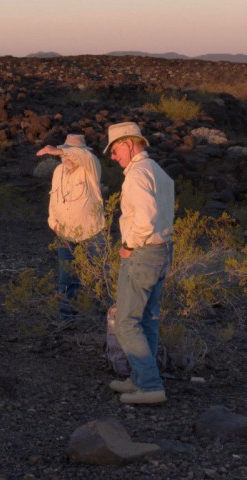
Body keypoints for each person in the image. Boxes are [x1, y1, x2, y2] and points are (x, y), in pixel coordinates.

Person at [104, 122, 174, 404]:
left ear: (130, 143)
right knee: (148, 320)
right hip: (162, 250)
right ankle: (140, 378)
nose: (112, 156)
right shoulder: (157, 170)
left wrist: (129, 245)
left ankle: (149, 385)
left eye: (115, 148)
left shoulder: (136, 174)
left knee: (126, 322)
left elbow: (145, 218)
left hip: (143, 253)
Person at [36, 134, 106, 320]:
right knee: (67, 275)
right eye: (64, 154)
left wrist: (57, 150)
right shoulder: (58, 171)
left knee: (98, 274)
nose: (67, 158)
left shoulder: (90, 166)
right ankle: (67, 315)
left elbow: (82, 156)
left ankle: (100, 316)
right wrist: (53, 223)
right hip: (64, 233)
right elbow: (54, 199)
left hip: (91, 231)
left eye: (70, 153)